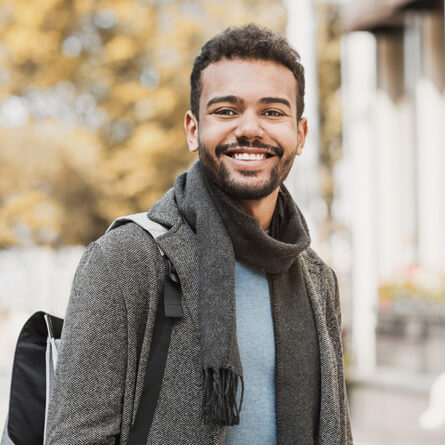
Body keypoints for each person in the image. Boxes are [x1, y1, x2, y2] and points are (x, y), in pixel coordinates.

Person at [47, 24, 353, 445]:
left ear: (299, 135)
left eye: (272, 112)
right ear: (193, 130)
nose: (250, 129)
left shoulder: (318, 280)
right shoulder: (126, 260)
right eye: (227, 111)